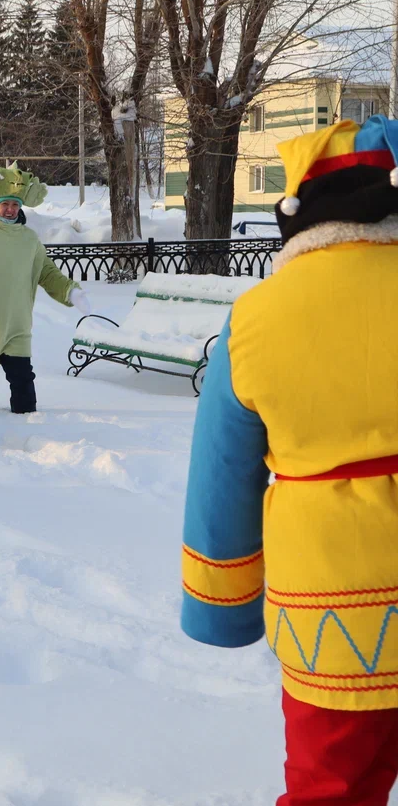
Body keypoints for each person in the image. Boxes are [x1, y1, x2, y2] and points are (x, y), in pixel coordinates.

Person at [181, 116, 398, 806]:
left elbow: (222, 475)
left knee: (332, 787)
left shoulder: (255, 318)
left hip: (331, 608)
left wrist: (224, 608)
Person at [0, 163, 90, 413]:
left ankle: (25, 421)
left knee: (22, 379)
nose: (11, 210)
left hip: (16, 326)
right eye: (5, 204)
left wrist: (70, 291)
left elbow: (46, 271)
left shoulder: (29, 239)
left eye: (15, 204)